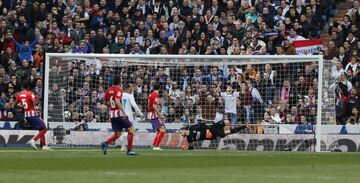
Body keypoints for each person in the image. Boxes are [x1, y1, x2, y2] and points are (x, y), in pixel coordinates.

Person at [101, 76, 136, 156]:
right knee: (131, 131)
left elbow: (106, 101)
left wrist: (111, 105)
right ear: (119, 82)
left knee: (118, 134)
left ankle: (105, 143)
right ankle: (129, 150)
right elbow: (117, 100)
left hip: (112, 115)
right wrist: (123, 111)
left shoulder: (108, 90)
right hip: (119, 114)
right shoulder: (119, 90)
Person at [15, 81, 51, 150]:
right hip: (33, 114)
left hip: (26, 115)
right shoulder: (30, 93)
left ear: (22, 87)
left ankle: (44, 146)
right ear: (28, 87)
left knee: (41, 129)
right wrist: (38, 99)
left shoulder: (19, 94)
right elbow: (35, 102)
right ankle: (34, 140)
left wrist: (23, 107)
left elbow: (15, 105)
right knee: (45, 128)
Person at [178, 119, 248, 150]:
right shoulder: (189, 139)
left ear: (183, 129)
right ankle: (244, 126)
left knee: (227, 121)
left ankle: (233, 125)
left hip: (212, 129)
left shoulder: (192, 127)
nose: (181, 134)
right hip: (213, 136)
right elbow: (191, 148)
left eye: (180, 132)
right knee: (228, 132)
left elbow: (202, 124)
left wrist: (207, 130)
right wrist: (186, 148)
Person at [118, 82, 145, 151]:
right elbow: (135, 105)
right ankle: (127, 146)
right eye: (131, 87)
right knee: (131, 132)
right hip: (128, 116)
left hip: (120, 115)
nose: (132, 88)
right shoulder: (129, 96)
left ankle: (123, 146)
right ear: (128, 88)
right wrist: (141, 114)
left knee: (126, 131)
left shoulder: (120, 95)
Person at [148, 83, 166, 150]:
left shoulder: (151, 94)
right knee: (162, 130)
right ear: (159, 88)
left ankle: (154, 145)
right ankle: (156, 146)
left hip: (151, 115)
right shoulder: (155, 94)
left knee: (159, 131)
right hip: (153, 116)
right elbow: (154, 106)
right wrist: (160, 114)